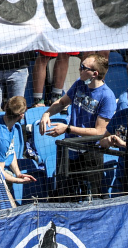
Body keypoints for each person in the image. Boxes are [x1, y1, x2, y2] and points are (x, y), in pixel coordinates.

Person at [39, 53, 116, 198]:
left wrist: (68, 129)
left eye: (83, 67)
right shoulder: (80, 83)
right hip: (70, 150)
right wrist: (47, 113)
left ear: (94, 73)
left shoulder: (107, 96)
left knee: (91, 198)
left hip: (89, 154)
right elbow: (62, 102)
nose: (79, 69)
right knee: (65, 195)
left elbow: (99, 132)